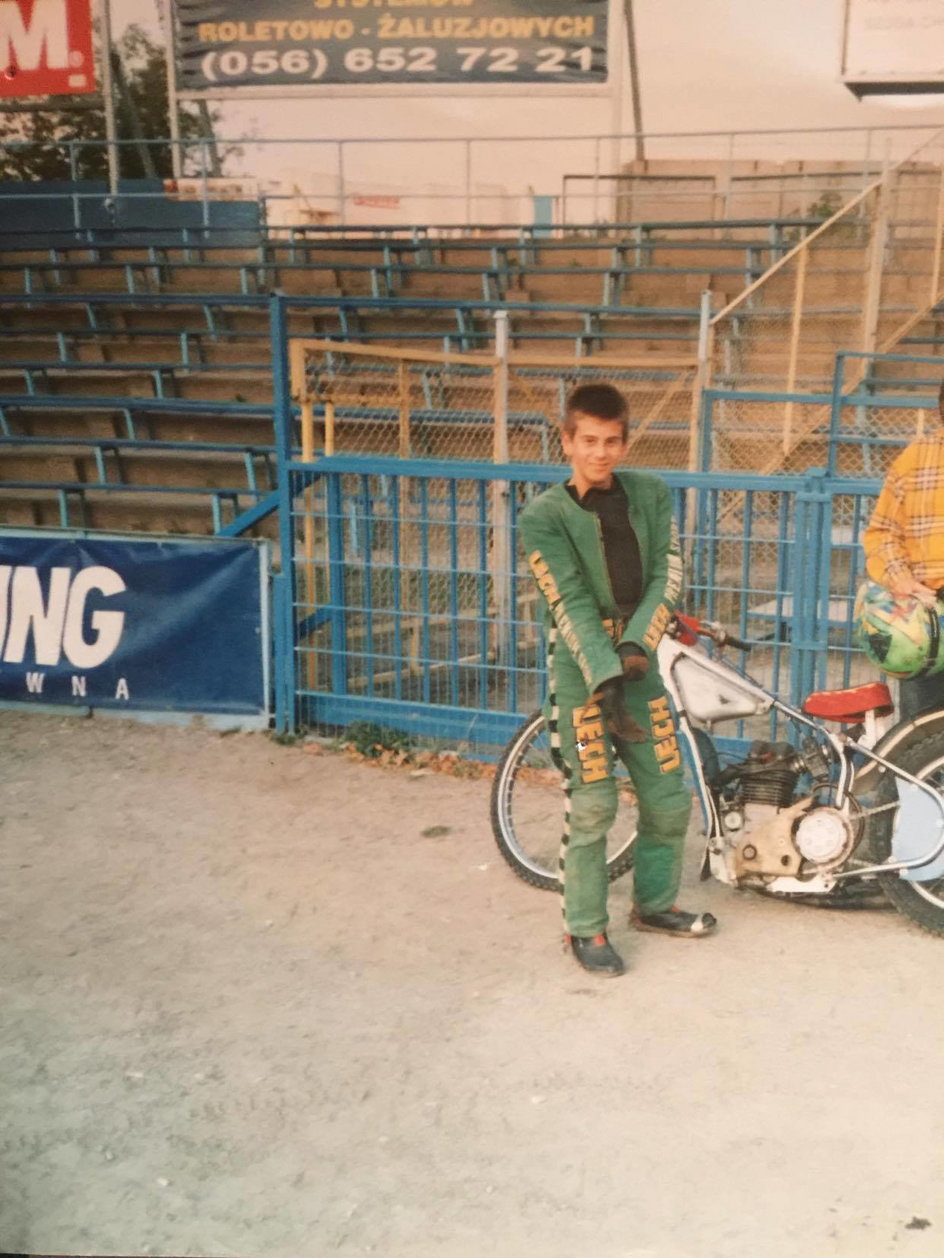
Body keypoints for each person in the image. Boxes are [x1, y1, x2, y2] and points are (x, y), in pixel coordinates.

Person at [518, 382, 716, 978]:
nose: (599, 453)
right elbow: (568, 602)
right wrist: (605, 673)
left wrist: (635, 650)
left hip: (642, 666)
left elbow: (667, 573)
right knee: (594, 802)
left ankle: (654, 905)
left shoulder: (652, 495)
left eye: (610, 441)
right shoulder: (543, 516)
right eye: (588, 441)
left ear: (624, 442)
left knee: (666, 795)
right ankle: (585, 927)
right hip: (583, 680)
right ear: (567, 441)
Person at [862, 379, 944, 720]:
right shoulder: (914, 459)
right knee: (922, 738)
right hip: (927, 619)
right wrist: (903, 580)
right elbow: (882, 533)